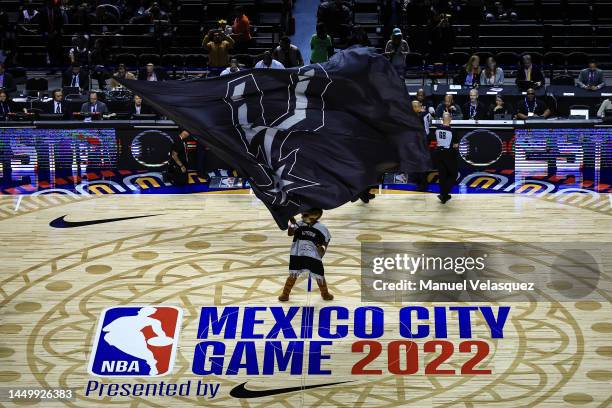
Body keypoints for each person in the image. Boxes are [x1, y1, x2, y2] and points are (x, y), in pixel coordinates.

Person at [279, 208, 333, 302]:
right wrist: (292, 223)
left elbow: (326, 241)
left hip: (313, 255)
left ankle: (325, 293)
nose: (302, 216)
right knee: (293, 274)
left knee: (319, 275)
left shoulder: (322, 228)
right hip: (298, 254)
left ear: (313, 216)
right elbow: (290, 233)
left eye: (305, 215)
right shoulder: (299, 224)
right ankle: (285, 293)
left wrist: (322, 250)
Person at [435, 112, 459, 204]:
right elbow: (456, 145)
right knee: (453, 174)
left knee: (442, 175)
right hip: (448, 154)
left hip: (438, 153)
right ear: (450, 119)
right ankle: (444, 193)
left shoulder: (437, 129)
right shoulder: (453, 131)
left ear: (442, 119)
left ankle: (443, 195)